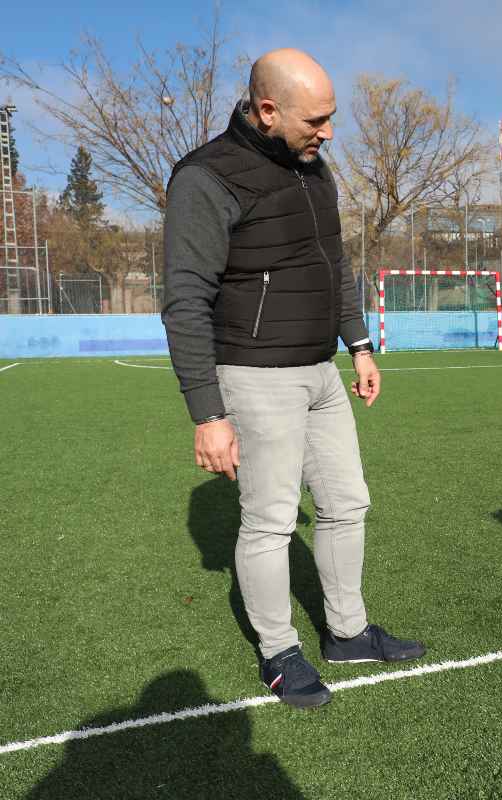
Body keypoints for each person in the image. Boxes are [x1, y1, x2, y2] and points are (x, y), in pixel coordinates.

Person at [161, 48, 424, 709]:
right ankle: (279, 653)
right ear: (268, 110)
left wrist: (358, 346)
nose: (328, 132)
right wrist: (206, 412)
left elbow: (333, 263)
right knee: (271, 522)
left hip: (320, 372)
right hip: (253, 377)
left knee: (347, 502)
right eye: (318, 120)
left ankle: (348, 631)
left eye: (331, 118)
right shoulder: (205, 178)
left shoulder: (313, 167)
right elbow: (185, 296)